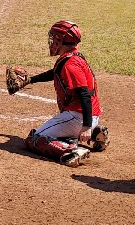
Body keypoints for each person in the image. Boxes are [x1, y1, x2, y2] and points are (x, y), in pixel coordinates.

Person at [6, 20, 110, 167]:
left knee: (36, 139)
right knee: (58, 131)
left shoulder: (70, 65)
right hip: (91, 115)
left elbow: (84, 95)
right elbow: (55, 73)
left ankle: (72, 151)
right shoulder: (73, 57)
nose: (52, 41)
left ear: (61, 40)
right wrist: (30, 80)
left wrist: (86, 126)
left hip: (78, 118)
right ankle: (96, 134)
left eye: (54, 38)